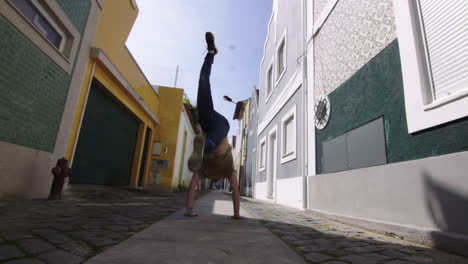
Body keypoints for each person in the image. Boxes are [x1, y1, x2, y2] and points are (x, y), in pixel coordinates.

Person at [185, 32, 242, 219]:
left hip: (208, 123)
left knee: (202, 82)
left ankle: (210, 53)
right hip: (220, 125)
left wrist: (190, 210)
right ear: (216, 180)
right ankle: (206, 143)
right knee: (203, 83)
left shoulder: (202, 171)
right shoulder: (228, 171)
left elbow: (193, 187)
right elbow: (235, 191)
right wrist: (236, 214)